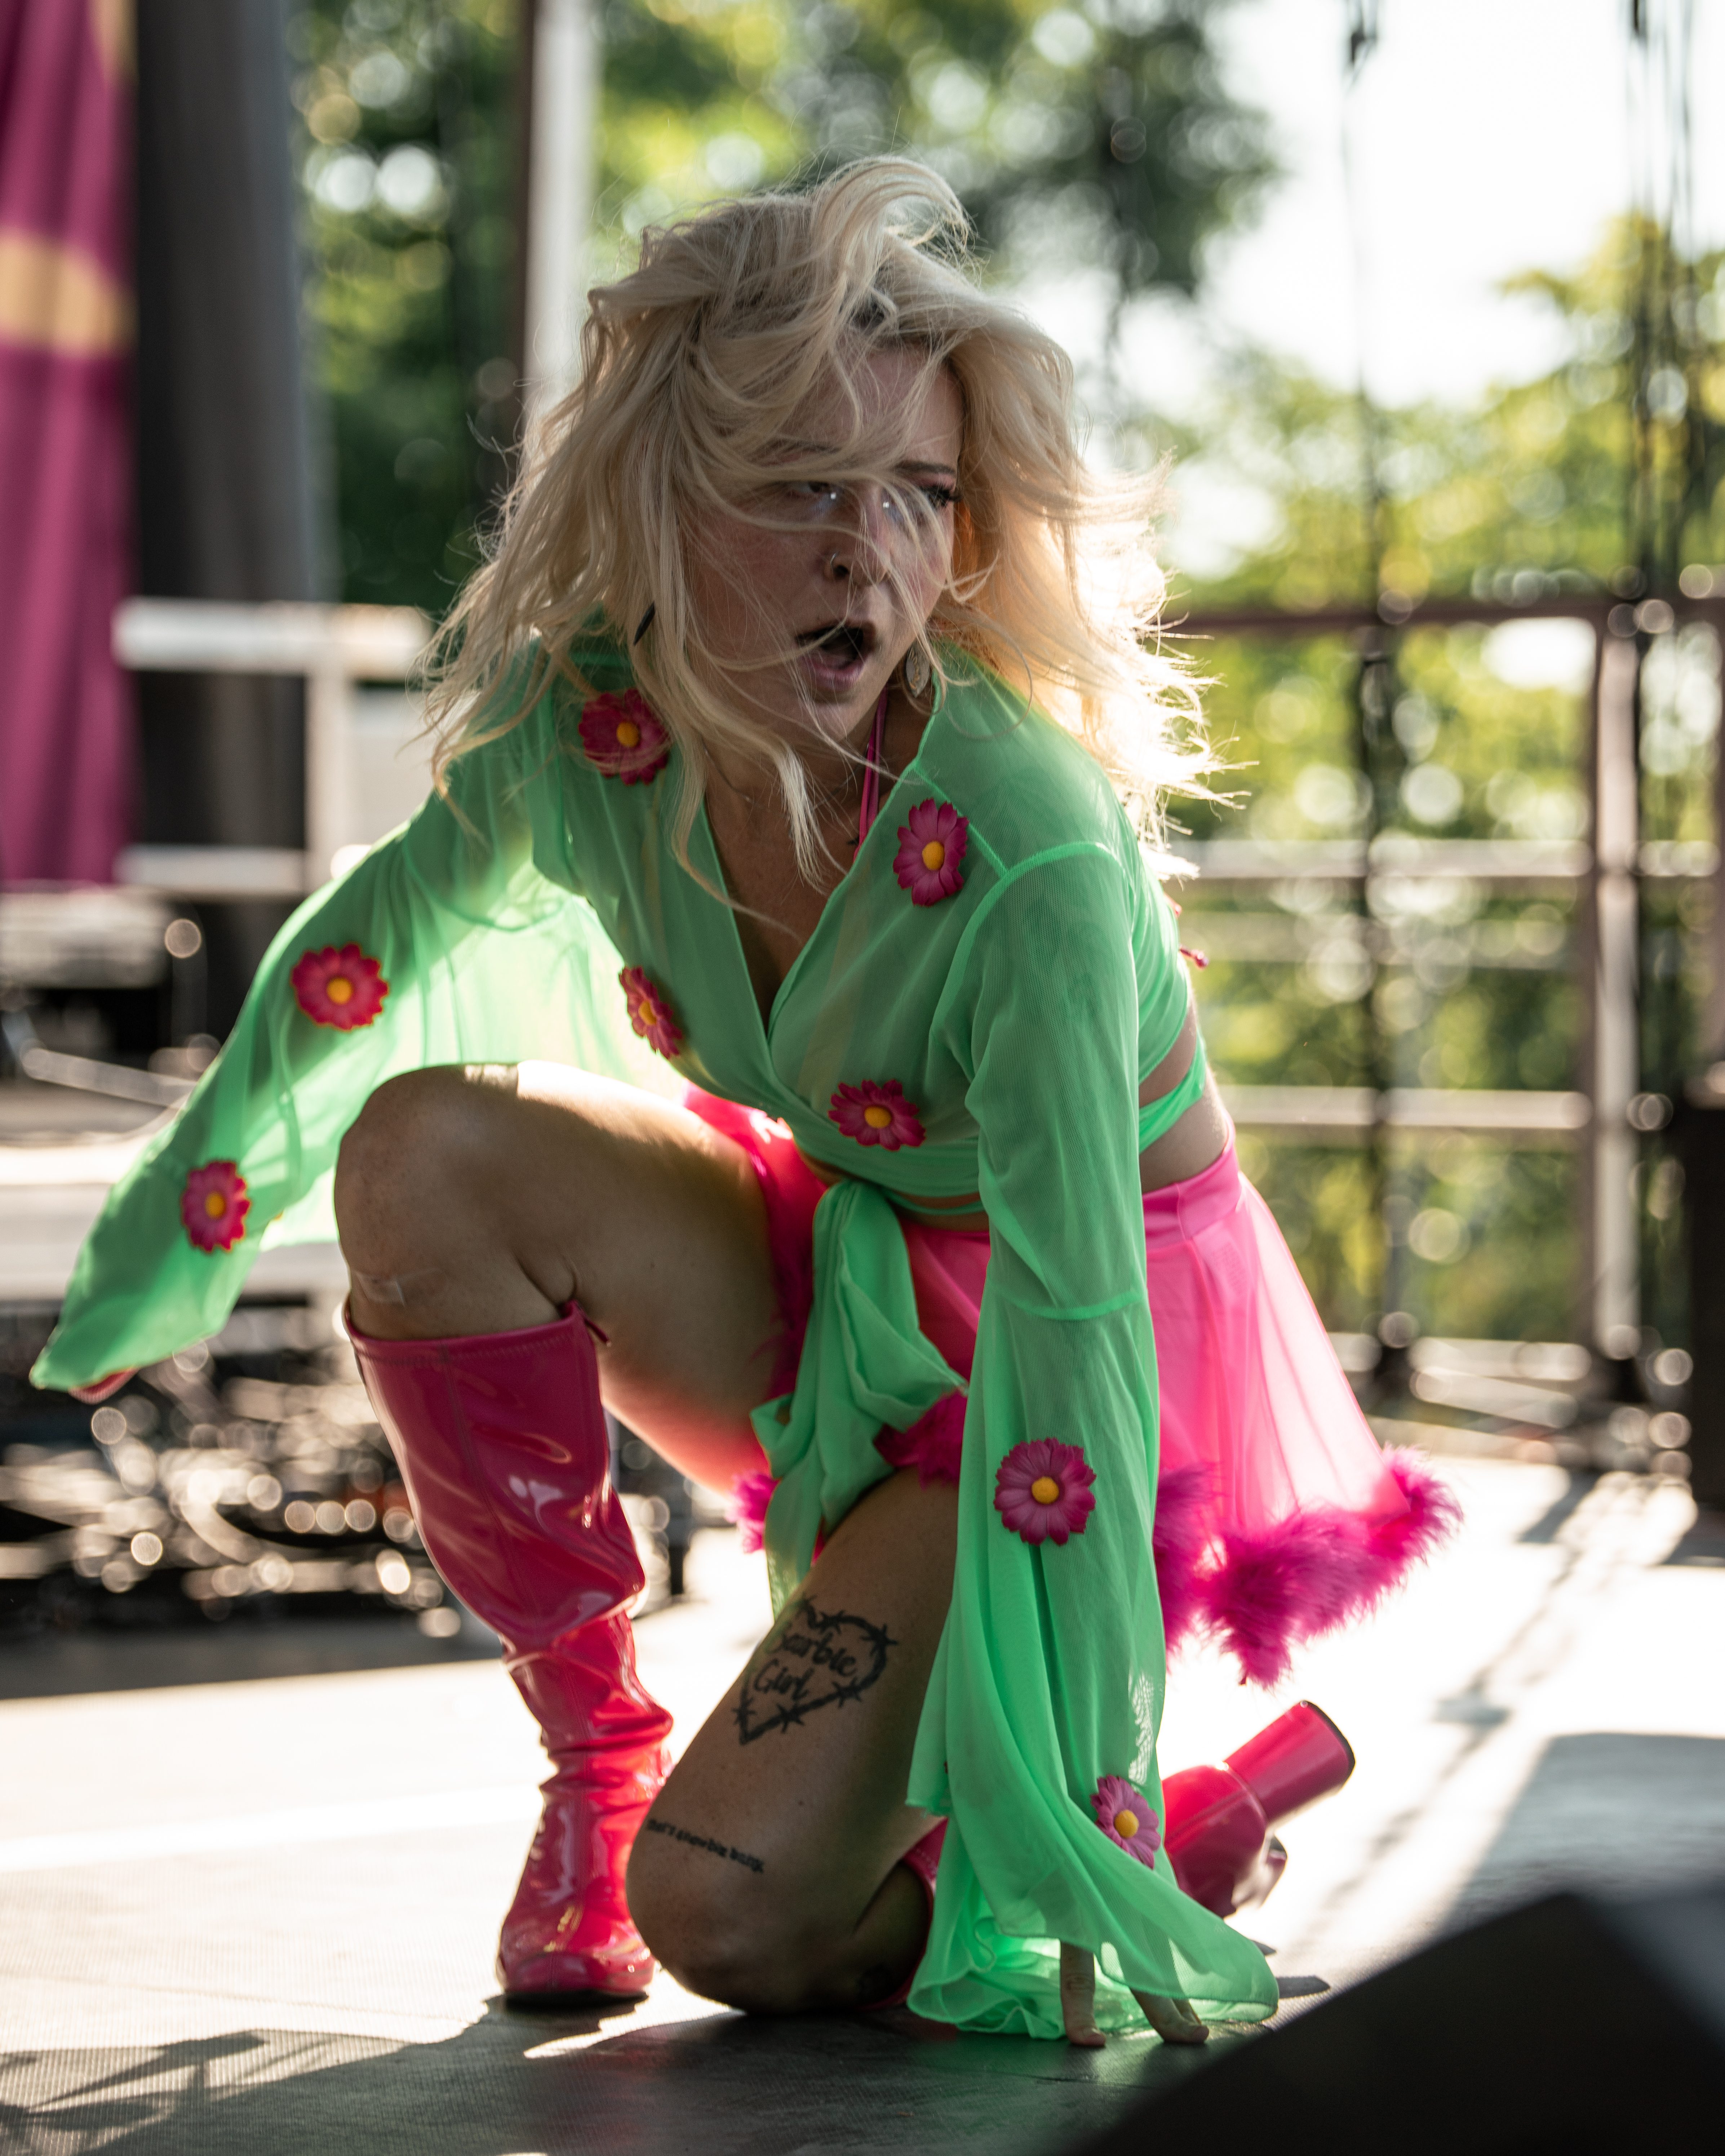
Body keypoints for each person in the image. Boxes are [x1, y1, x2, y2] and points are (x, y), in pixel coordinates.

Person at [37, 160, 1454, 2045]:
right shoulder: (588, 723)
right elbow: (357, 958)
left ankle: (1169, 1827)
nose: (871, 547)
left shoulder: (1030, 846)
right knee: (427, 1148)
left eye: (919, 492)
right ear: (666, 495)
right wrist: (171, 1234)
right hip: (843, 1252)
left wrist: (1089, 1818)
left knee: (729, 1922)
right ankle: (593, 1760)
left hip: (1068, 1358)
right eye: (801, 483)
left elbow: (1078, 1320)